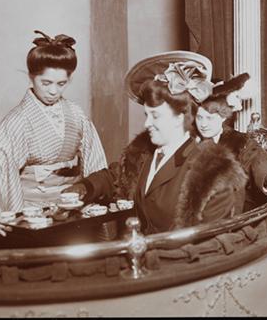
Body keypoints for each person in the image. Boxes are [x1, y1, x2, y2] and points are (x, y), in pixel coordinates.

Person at [64, 51, 248, 234]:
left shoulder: (212, 171)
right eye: (147, 115)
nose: (147, 123)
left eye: (156, 116)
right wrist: (83, 188)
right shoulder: (144, 153)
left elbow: (209, 244)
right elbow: (115, 176)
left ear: (180, 117)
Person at [0, 31, 107, 236]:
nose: (53, 91)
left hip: (72, 209)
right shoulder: (17, 121)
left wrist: (92, 192)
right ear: (31, 78)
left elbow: (95, 164)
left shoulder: (76, 114)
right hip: (33, 211)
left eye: (61, 84)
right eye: (46, 83)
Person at [195, 72, 267, 209]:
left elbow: (257, 161)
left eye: (209, 118)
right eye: (199, 118)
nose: (203, 124)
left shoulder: (239, 141)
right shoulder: (190, 140)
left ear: (223, 117)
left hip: (231, 208)